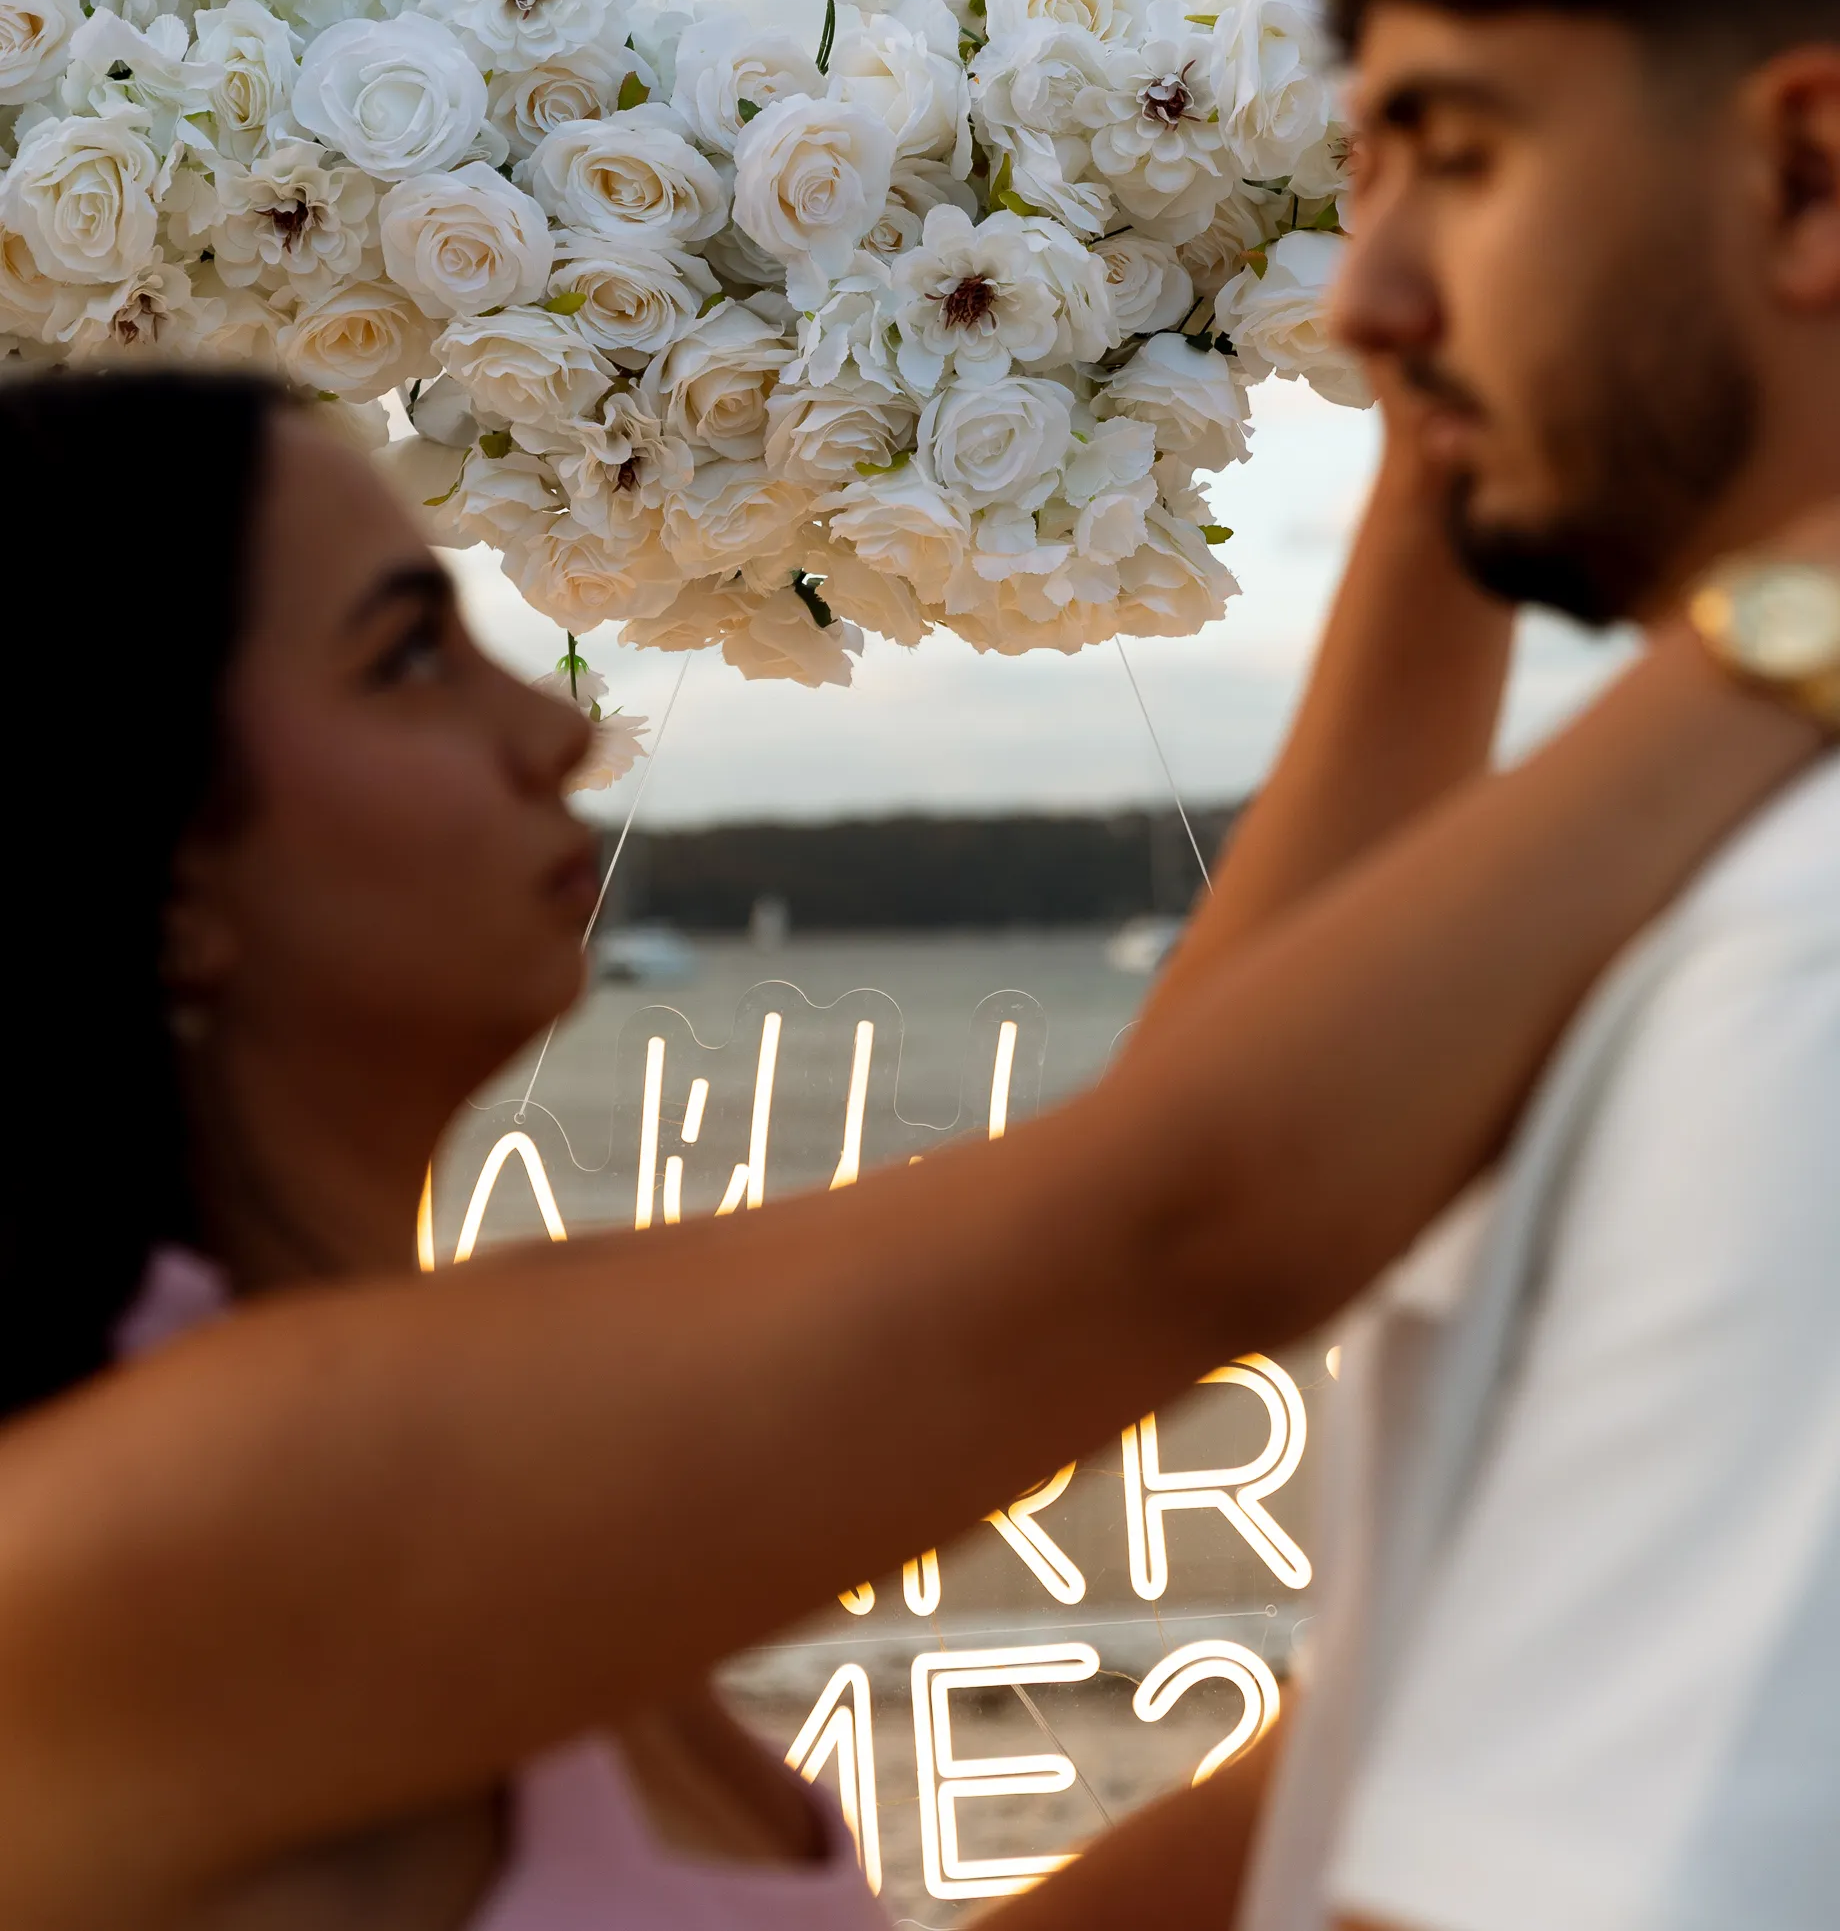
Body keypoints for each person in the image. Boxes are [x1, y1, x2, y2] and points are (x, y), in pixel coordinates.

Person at [0, 332, 1830, 1931]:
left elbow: (1170, 1154)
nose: (554, 728)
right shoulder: (165, 1542)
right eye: (407, 660)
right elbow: (1183, 1220)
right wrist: (1791, 616)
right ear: (150, 856)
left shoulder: (375, 1434)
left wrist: (1450, 439)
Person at [1010, 0, 1840, 1928]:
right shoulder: (1728, 869)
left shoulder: (1795, 977)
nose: (1365, 301)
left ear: (1804, 169)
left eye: (1456, 157)